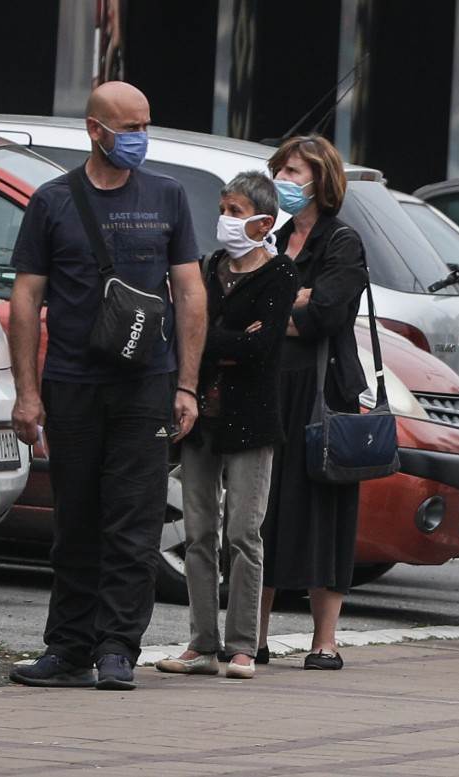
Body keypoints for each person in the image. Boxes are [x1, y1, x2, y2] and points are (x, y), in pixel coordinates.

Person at [7, 81, 205, 690]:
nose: (141, 138)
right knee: (77, 519)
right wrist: (27, 392)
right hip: (70, 383)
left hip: (146, 385)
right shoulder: (52, 201)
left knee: (135, 520)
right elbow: (25, 299)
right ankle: (67, 649)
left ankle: (118, 648)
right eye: (129, 128)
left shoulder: (168, 197)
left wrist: (187, 385)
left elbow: (191, 294)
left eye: (146, 124)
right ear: (96, 130)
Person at [155, 173, 297, 680]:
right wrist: (226, 337)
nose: (226, 220)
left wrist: (210, 336)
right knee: (198, 532)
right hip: (199, 415)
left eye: (236, 211)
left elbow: (263, 349)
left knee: (244, 532)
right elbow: (180, 328)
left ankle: (241, 645)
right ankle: (201, 642)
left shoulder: (281, 273)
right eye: (224, 209)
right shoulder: (209, 266)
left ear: (263, 220)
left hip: (252, 419)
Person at [258, 134, 368, 671]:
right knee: (262, 509)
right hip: (270, 387)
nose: (284, 181)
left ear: (322, 182)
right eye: (280, 171)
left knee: (324, 510)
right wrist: (291, 303)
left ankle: (324, 639)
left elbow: (326, 314)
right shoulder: (272, 238)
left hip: (324, 391)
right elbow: (240, 306)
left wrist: (282, 308)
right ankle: (248, 635)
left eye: (295, 172)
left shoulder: (342, 242)